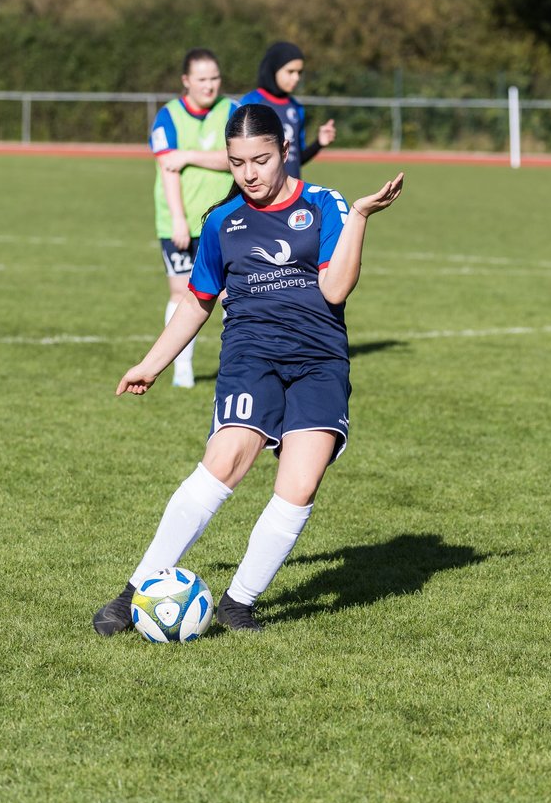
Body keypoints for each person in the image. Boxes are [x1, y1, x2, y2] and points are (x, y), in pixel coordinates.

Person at [93, 103, 403, 635]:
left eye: (261, 160)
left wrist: (358, 219)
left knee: (300, 485)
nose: (250, 174)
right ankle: (134, 591)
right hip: (250, 354)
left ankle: (239, 602)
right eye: (237, 163)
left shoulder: (325, 204)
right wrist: (151, 363)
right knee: (227, 459)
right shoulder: (222, 222)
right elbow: (197, 302)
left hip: (318, 362)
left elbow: (335, 289)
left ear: (285, 150)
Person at [148, 48, 237, 388]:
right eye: (202, 79)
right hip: (180, 220)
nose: (209, 85)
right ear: (186, 81)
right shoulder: (168, 117)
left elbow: (237, 157)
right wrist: (179, 220)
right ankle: (181, 367)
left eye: (215, 78)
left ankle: (236, 364)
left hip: (225, 218)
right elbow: (168, 168)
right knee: (182, 293)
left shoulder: (232, 110)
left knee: (233, 294)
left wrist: (189, 155)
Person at [238, 41, 336, 180]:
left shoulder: (297, 108)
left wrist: (319, 143)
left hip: (291, 194)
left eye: (299, 72)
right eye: (290, 72)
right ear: (273, 69)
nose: (296, 78)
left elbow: (295, 159)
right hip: (260, 194)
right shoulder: (251, 102)